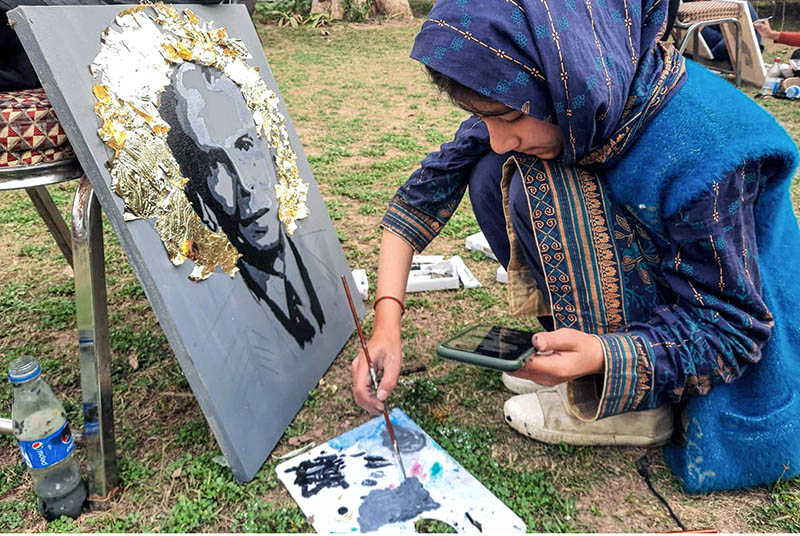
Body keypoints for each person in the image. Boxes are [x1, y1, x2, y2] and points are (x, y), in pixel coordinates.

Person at [351, 0, 800, 493]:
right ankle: (581, 350)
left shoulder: (703, 147)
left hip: (726, 327)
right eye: (485, 118)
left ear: (569, 78)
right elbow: (427, 189)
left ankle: (635, 404)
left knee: (535, 183)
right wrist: (387, 321)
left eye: (504, 117)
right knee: (487, 171)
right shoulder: (569, 93)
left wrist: (608, 356)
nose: (498, 138)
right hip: (665, 296)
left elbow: (734, 324)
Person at [159, 62, 325, 348]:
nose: (245, 185)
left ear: (272, 154)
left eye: (246, 146)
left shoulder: (326, 270)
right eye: (215, 164)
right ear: (200, 197)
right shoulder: (224, 341)